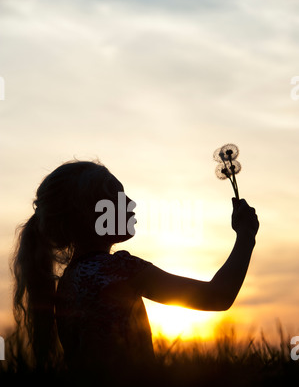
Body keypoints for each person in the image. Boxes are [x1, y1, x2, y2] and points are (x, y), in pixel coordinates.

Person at [12, 159, 259, 375]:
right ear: (90, 213)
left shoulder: (69, 281)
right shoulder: (119, 270)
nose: (131, 203)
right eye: (118, 198)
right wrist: (246, 236)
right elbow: (217, 296)